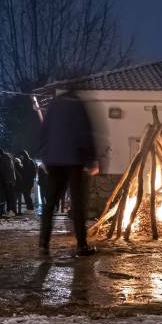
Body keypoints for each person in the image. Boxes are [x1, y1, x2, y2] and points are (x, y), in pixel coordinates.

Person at [37, 90, 98, 256]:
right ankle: (81, 245)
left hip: (54, 160)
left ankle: (43, 244)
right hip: (74, 159)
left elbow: (44, 132)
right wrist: (91, 159)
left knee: (50, 203)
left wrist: (44, 156)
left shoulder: (54, 105)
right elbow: (85, 133)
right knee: (78, 203)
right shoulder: (77, 104)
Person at [0, 148, 18, 216]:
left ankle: (12, 211)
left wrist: (7, 180)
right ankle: (9, 210)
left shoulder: (4, 158)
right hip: (8, 180)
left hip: (8, 180)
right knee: (8, 197)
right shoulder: (6, 158)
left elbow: (6, 170)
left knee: (10, 196)